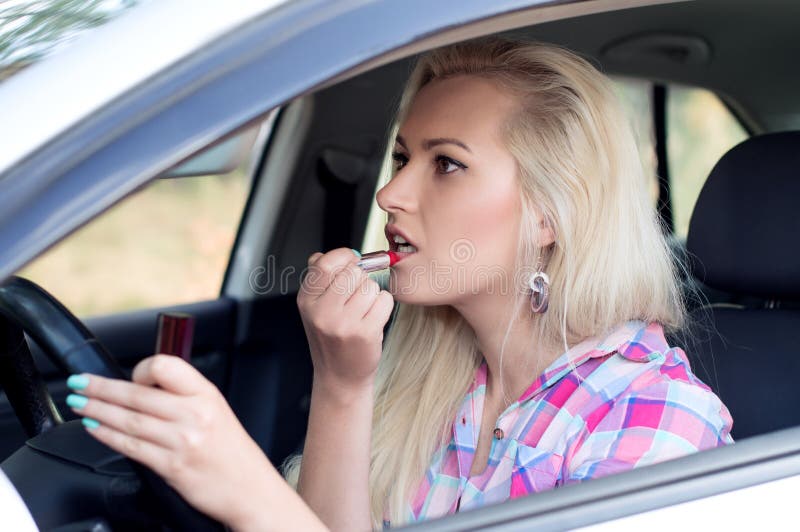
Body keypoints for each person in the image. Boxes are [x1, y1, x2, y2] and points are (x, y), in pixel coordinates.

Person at [63, 36, 733, 532]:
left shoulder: (658, 423)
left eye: (446, 165)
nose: (389, 193)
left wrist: (246, 493)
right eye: (403, 157)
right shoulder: (436, 378)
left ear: (551, 213)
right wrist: (343, 384)